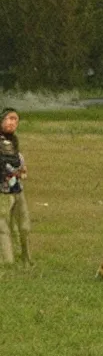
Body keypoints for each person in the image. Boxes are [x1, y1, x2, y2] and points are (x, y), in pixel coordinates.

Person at [0, 107, 32, 265]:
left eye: (15, 120)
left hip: (17, 188)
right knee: (3, 226)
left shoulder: (14, 140)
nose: (12, 123)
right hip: (2, 190)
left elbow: (17, 160)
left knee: (24, 225)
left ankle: (24, 256)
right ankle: (6, 260)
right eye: (9, 118)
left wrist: (21, 169)